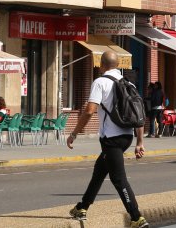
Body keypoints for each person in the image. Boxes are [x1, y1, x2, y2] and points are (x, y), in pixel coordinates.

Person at [66, 50, 148, 228]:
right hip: (126, 137)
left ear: (101, 65)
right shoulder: (129, 84)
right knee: (100, 170)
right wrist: (139, 142)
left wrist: (74, 134)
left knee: (118, 179)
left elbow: (89, 111)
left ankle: (136, 217)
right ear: (118, 65)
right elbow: (139, 116)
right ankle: (82, 207)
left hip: (111, 139)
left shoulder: (100, 82)